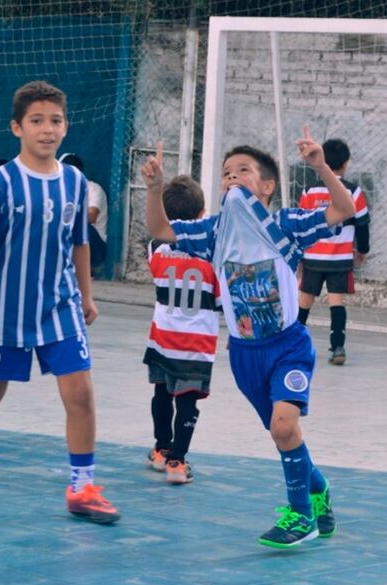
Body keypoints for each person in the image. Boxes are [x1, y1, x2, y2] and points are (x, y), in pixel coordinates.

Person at [141, 127, 355, 548]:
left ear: (268, 185)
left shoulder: (286, 225)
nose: (232, 178)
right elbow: (161, 231)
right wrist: (154, 189)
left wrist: (321, 167)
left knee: (283, 425)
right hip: (244, 355)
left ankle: (301, 517)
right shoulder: (212, 233)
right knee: (284, 435)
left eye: (243, 170)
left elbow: (343, 209)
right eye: (226, 173)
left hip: (288, 347)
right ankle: (319, 490)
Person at [0, 81, 120, 524]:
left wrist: (86, 295)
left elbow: (79, 243)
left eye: (55, 121)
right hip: (5, 311)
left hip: (59, 308)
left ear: (66, 126)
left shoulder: (76, 182)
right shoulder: (1, 182)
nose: (47, 129)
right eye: (37, 121)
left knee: (80, 393)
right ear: (17, 128)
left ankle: (82, 487)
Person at [143, 175, 218, 485]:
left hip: (162, 338)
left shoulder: (156, 248)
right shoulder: (212, 256)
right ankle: (177, 461)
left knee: (161, 392)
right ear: (201, 215)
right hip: (195, 344)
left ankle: (161, 449)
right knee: (186, 400)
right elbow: (220, 299)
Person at [296, 138, 370, 365]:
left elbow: (301, 223)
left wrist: (300, 255)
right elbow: (362, 223)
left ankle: (292, 344)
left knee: (304, 300)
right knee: (336, 301)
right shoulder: (354, 191)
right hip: (339, 258)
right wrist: (363, 249)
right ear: (346, 164)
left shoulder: (309, 191)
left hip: (313, 257)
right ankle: (338, 347)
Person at [59, 153, 108, 272]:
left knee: (78, 225)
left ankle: (84, 267)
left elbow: (91, 216)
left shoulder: (93, 188)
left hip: (96, 244)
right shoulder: (60, 190)